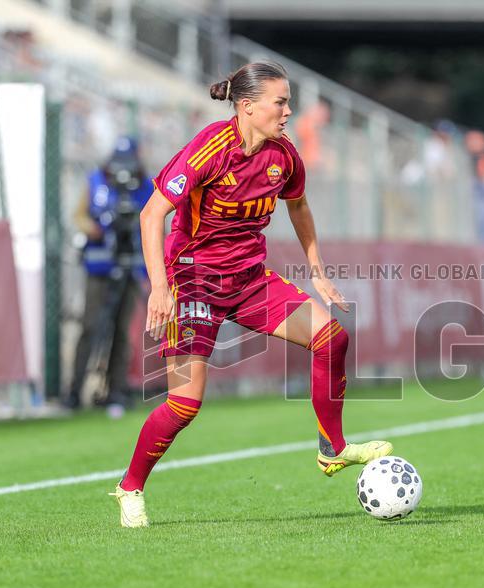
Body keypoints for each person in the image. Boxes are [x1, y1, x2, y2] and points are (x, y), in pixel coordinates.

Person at [109, 61, 393, 527]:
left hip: (248, 281)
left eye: (288, 102)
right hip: (193, 282)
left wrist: (317, 272)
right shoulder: (210, 148)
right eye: (280, 103)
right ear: (247, 106)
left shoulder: (284, 155)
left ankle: (332, 448)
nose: (288, 112)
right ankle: (130, 486)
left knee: (331, 338)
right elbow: (151, 214)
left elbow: (299, 205)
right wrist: (160, 287)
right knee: (185, 405)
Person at [64, 137, 153, 418]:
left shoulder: (146, 187)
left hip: (131, 268)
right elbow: (78, 216)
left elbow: (155, 225)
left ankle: (116, 390)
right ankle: (74, 391)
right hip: (99, 268)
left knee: (121, 331)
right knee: (91, 326)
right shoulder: (95, 182)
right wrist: (95, 228)